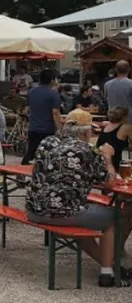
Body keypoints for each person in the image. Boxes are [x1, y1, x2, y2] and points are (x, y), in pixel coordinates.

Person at [26, 123, 132, 287]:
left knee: (84, 222)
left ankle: (113, 265)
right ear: (86, 133)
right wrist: (107, 157)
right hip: (63, 213)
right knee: (115, 217)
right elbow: (110, 183)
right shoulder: (87, 150)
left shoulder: (46, 142)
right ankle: (107, 273)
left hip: (34, 210)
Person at [22, 69, 63, 164]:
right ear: (52, 80)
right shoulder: (54, 94)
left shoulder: (32, 92)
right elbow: (55, 112)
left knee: (31, 152)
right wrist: (59, 129)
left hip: (33, 128)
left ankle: (21, 173)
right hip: (47, 130)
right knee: (49, 155)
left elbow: (26, 109)